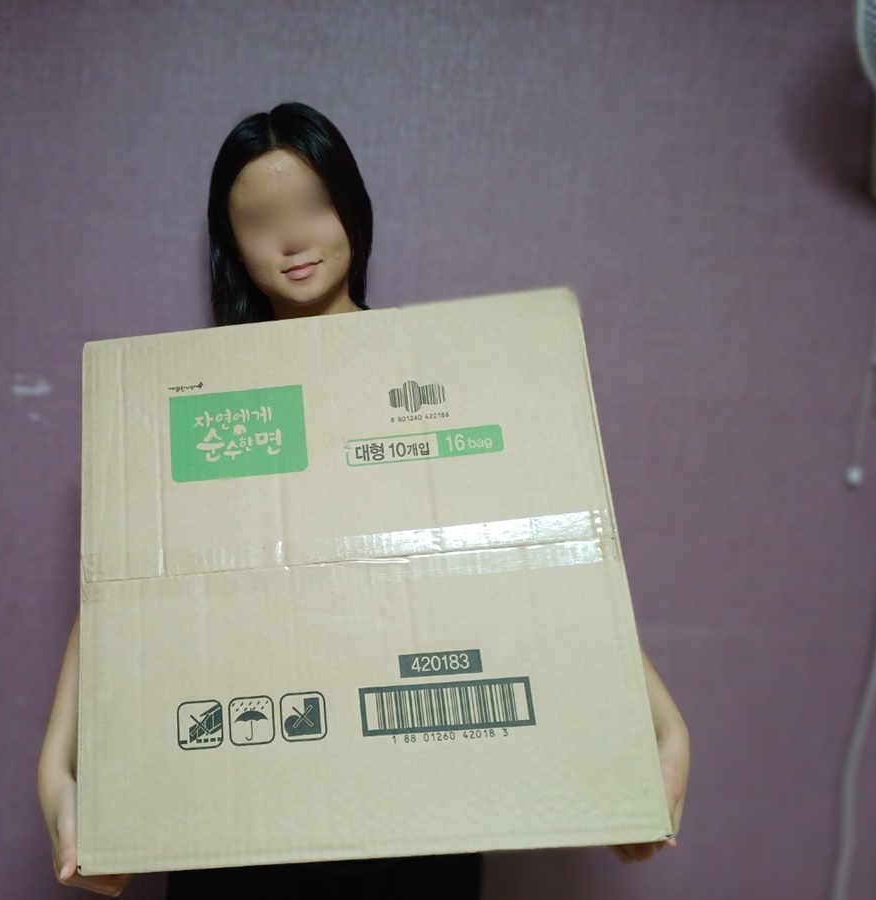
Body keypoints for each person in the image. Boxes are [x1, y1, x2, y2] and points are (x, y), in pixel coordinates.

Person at [38, 102, 690, 898]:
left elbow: (533, 548)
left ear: (353, 209)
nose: (293, 236)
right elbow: (134, 575)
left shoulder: (429, 378)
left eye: (314, 205)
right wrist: (61, 769)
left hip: (418, 830)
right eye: (260, 219)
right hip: (240, 831)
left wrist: (654, 725)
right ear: (231, 243)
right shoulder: (198, 401)